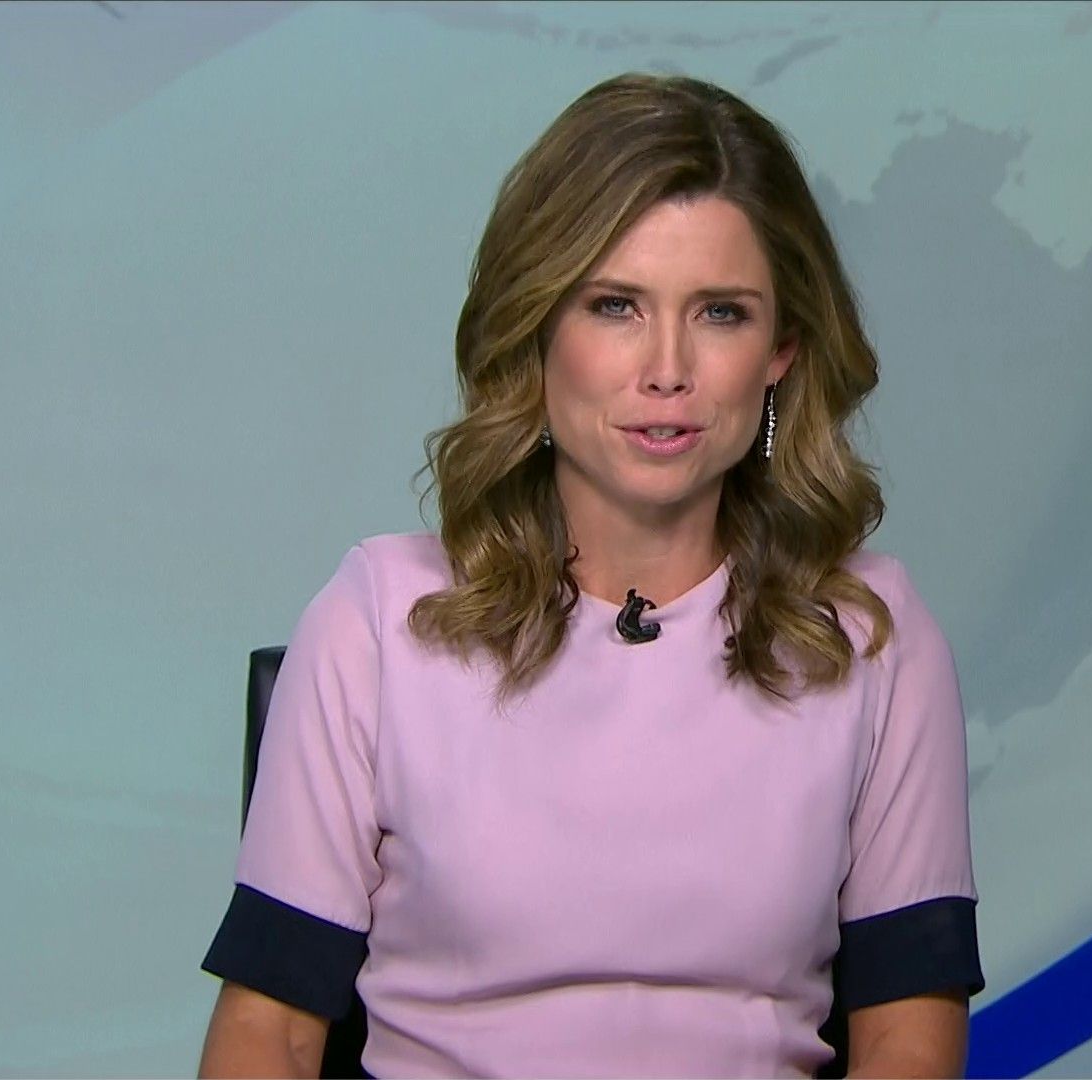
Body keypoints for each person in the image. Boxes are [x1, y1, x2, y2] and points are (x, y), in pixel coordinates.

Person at [197, 72, 982, 1079]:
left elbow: (908, 1045)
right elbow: (268, 1035)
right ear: (537, 328)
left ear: (782, 349)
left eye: (721, 313)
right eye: (615, 306)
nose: (667, 369)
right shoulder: (379, 622)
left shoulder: (874, 638)